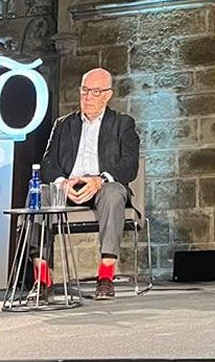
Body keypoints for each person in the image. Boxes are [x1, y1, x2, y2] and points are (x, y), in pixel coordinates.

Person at [33, 68, 141, 300]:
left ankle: (105, 275)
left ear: (107, 95)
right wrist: (62, 182)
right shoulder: (63, 124)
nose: (88, 97)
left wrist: (100, 179)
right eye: (84, 91)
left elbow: (129, 166)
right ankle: (42, 278)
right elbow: (48, 163)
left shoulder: (123, 124)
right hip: (69, 188)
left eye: (95, 92)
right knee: (39, 194)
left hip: (103, 186)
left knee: (113, 192)